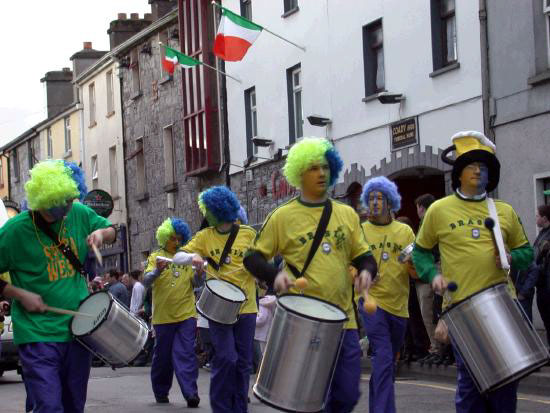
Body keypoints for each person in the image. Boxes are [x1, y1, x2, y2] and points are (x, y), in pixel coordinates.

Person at [243, 137, 377, 413]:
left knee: (348, 392)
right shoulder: (283, 217)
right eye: (314, 168)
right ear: (299, 173)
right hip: (301, 319)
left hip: (343, 319)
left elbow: (364, 256)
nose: (322, 173)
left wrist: (366, 272)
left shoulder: (347, 214)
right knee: (303, 397)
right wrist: (274, 276)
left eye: (326, 167)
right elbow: (252, 258)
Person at [412, 131, 533, 413]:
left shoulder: (504, 210)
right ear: (458, 174)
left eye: (484, 167)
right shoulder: (439, 210)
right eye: (471, 166)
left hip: (503, 305)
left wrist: (511, 256)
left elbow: (528, 253)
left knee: (505, 385)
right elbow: (420, 251)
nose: (478, 171)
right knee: (472, 386)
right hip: (462, 310)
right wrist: (432, 275)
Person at [0, 160, 115, 413]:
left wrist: (101, 235)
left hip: (78, 331)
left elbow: (110, 230)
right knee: (49, 405)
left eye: (73, 197)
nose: (72, 204)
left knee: (74, 405)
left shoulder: (79, 214)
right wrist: (16, 293)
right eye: (66, 200)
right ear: (49, 199)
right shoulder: (15, 231)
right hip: (37, 333)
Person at [176, 186, 257, 413]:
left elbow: (264, 257)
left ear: (215, 210)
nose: (205, 215)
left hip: (247, 307)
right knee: (227, 358)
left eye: (206, 210)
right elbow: (178, 255)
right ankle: (221, 407)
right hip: (218, 309)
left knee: (243, 363)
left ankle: (239, 408)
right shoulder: (204, 236)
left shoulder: (248, 233)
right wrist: (194, 256)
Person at [359, 177, 415, 413]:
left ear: (389, 201)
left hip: (399, 305)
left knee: (387, 362)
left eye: (379, 198)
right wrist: (362, 273)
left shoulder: (404, 231)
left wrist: (416, 264)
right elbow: (348, 263)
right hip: (371, 302)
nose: (374, 202)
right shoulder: (360, 231)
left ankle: (377, 407)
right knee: (382, 355)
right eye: (370, 198)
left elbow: (414, 270)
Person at [143, 218, 200, 408]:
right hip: (163, 317)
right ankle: (160, 391)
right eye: (173, 238)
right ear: (164, 238)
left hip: (186, 314)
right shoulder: (155, 257)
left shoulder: (187, 257)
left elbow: (197, 284)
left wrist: (200, 272)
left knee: (186, 354)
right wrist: (157, 271)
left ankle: (190, 393)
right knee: (163, 357)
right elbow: (146, 281)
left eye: (179, 239)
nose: (176, 242)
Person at [532, 204, 550, 345]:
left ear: (544, 218)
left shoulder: (547, 236)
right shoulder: (543, 233)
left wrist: (536, 269)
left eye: (537, 215)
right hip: (542, 284)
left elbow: (539, 259)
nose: (536, 218)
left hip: (546, 285)